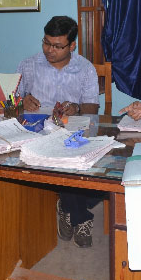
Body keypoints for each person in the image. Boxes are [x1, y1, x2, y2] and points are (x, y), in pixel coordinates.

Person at [16, 15, 101, 247]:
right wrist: (22, 102)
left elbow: (92, 109)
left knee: (78, 160)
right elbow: (11, 102)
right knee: (64, 163)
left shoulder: (85, 68)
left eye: (57, 46)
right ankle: (81, 217)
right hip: (37, 132)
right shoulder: (28, 65)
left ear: (72, 46)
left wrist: (77, 108)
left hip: (71, 131)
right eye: (46, 43)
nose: (49, 50)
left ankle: (66, 206)